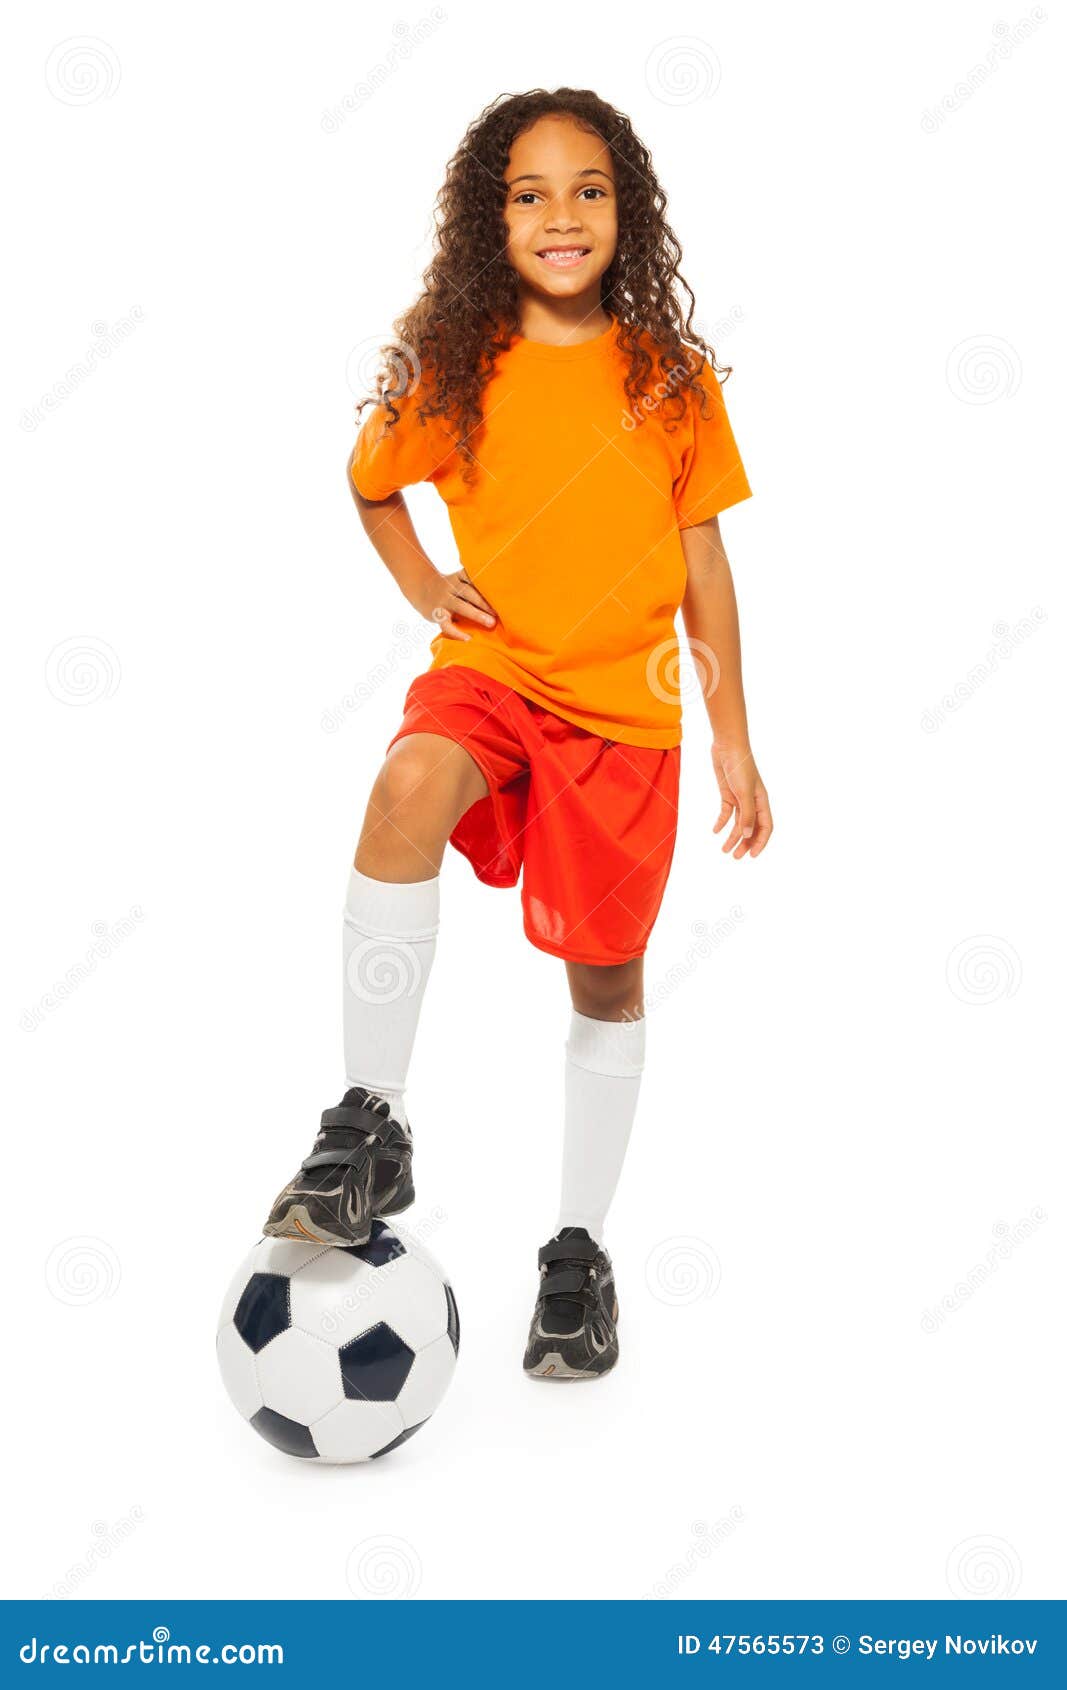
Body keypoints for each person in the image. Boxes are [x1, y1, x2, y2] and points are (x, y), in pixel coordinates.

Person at [263, 88, 773, 1381]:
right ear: (491, 219)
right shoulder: (458, 361)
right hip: (495, 675)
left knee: (605, 975)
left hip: (624, 714)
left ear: (628, 208)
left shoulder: (669, 376)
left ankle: (575, 1256)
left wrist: (731, 734)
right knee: (404, 787)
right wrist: (425, 587)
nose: (561, 215)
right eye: (530, 192)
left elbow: (705, 563)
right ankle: (370, 1120)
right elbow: (370, 481)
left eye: (589, 188)